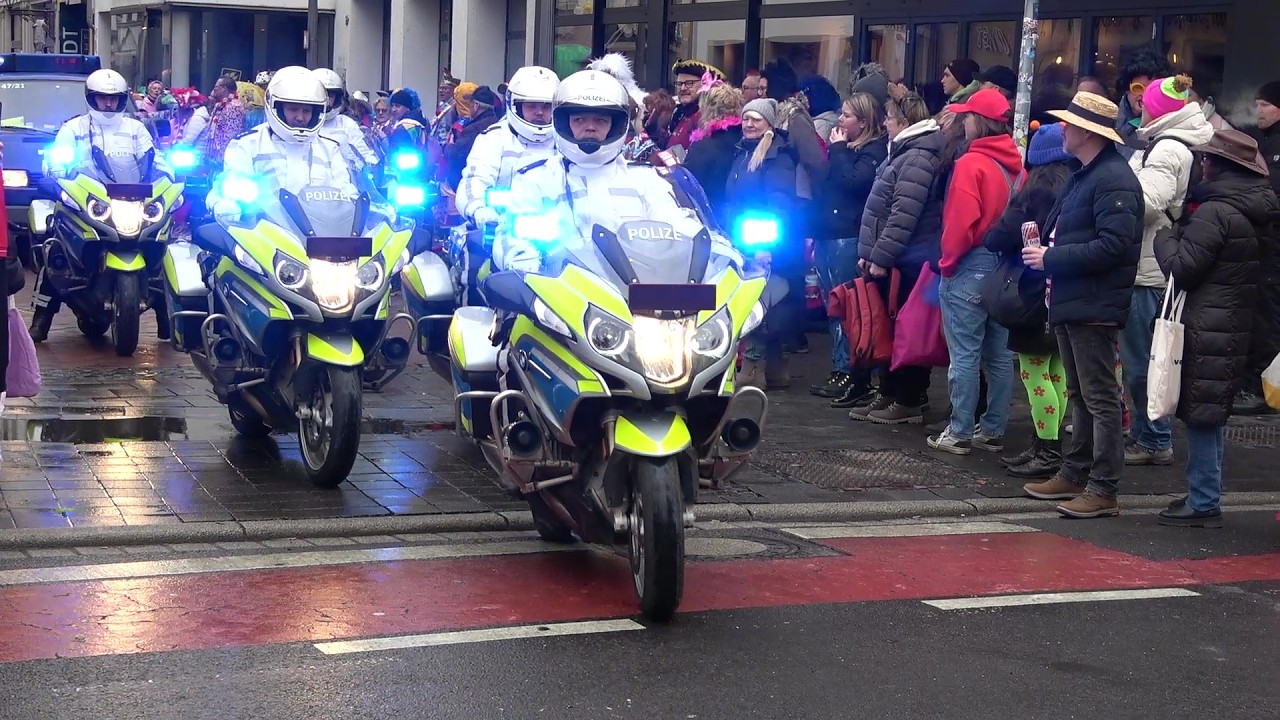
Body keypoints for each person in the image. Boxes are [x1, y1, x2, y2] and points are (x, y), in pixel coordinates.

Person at [1020, 90, 1144, 519]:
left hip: (1093, 303)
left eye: (1070, 124)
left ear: (1089, 133)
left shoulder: (1111, 179)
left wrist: (1051, 258)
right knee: (1082, 393)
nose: (1063, 130)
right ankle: (1075, 473)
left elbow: (1113, 245)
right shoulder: (1086, 174)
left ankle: (1103, 486)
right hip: (1076, 300)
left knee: (1098, 396)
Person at [1153, 129, 1278, 527]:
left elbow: (1183, 269)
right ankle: (1206, 493)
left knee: (1202, 411)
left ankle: (1203, 500)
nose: (1202, 165)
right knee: (1215, 408)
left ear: (1218, 166)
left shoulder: (1216, 212)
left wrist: (1166, 239)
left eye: (1207, 159)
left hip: (1208, 323)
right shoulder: (1257, 210)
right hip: (1237, 321)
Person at [494, 70, 721, 273]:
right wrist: (534, 270)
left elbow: (682, 226)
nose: (590, 127)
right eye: (580, 119)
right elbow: (512, 242)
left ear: (616, 125)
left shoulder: (645, 179)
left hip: (635, 300)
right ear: (563, 122)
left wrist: (719, 255)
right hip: (557, 302)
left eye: (601, 120)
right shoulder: (536, 180)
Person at [33, 68, 171, 342]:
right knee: (55, 254)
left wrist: (168, 178)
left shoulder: (135, 129)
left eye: (114, 99)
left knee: (164, 255)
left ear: (122, 100)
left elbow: (156, 160)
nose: (108, 104)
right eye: (102, 99)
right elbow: (56, 163)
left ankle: (166, 321)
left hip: (130, 202)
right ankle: (41, 319)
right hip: (84, 203)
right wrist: (57, 178)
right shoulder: (74, 128)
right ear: (91, 99)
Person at [1121, 75, 1213, 466]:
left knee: (1143, 360)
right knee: (1147, 356)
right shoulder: (1172, 144)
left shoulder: (1166, 149)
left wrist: (1112, 204)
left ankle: (1154, 438)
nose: (1139, 106)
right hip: (1155, 264)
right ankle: (1147, 434)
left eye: (1146, 102)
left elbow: (1145, 203)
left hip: (1148, 268)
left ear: (1158, 110)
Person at [928, 88, 1024, 456]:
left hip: (969, 263)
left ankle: (959, 431)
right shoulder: (1018, 167)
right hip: (1003, 268)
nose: (962, 122)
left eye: (966, 116)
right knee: (999, 354)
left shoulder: (970, 164)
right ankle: (993, 428)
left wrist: (947, 264)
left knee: (964, 353)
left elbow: (959, 225)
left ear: (978, 122)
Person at [984, 122, 1079, 479]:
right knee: (1056, 371)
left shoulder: (1034, 191)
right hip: (1064, 290)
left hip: (1032, 293)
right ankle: (1045, 444)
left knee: (1034, 372)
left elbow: (999, 237)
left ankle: (1047, 448)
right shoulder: (1075, 186)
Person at [811, 91, 888, 402]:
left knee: (847, 307)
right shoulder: (846, 148)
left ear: (864, 122)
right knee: (834, 307)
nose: (839, 120)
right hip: (830, 232)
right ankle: (841, 367)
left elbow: (854, 184)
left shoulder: (872, 151)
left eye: (846, 116)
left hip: (848, 234)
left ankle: (850, 371)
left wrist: (840, 149)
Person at [207, 66, 355, 219]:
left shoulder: (329, 148)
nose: (300, 117)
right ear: (276, 107)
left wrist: (358, 206)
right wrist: (225, 204)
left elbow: (346, 191)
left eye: (306, 111)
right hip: (263, 235)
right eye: (293, 109)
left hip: (320, 235)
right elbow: (229, 186)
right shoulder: (247, 144)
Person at [726, 97, 801, 389]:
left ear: (769, 122)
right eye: (746, 118)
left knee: (759, 303)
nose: (748, 124)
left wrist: (765, 246)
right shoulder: (745, 151)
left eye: (755, 119)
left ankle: (755, 367)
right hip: (746, 237)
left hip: (763, 243)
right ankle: (776, 368)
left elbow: (779, 205)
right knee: (767, 301)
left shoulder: (776, 156)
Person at [457, 66, 559, 229]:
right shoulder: (494, 138)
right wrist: (480, 210)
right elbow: (474, 179)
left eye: (546, 106)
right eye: (532, 106)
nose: (540, 112)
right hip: (503, 229)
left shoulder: (565, 141)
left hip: (558, 233)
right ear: (516, 106)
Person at [312, 68, 379, 169]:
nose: (325, 99)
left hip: (343, 181)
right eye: (320, 93)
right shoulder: (297, 125)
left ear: (337, 98)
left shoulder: (346, 124)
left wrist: (372, 166)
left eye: (330, 95)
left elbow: (365, 153)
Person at [667, 59, 725, 152]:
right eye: (679, 84)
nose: (683, 88)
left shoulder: (710, 116)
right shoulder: (677, 113)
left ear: (705, 85)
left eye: (689, 83)